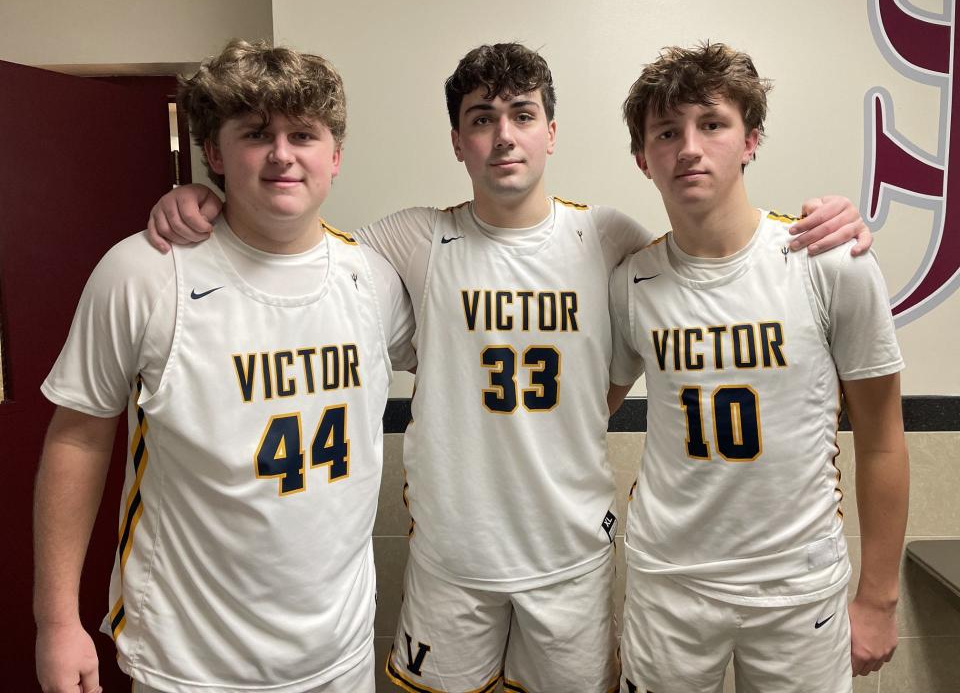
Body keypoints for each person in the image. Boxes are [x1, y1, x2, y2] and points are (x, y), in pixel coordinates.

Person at [144, 43, 872, 692]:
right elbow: (294, 244)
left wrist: (832, 220)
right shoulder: (414, 239)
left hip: (572, 554)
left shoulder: (609, 237)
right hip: (451, 557)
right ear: (458, 140)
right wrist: (204, 199)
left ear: (550, 133)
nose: (503, 136)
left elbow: (708, 264)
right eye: (482, 119)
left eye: (522, 115)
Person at [34, 40, 415, 693]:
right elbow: (78, 436)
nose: (282, 154)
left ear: (336, 155)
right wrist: (56, 620)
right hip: (191, 661)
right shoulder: (144, 273)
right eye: (255, 134)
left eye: (304, 133)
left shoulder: (374, 279)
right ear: (214, 152)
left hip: (340, 654)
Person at [608, 42, 908, 693]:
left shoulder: (830, 261)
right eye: (667, 131)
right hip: (670, 582)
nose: (689, 146)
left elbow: (884, 438)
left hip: (798, 584)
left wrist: (878, 600)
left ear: (750, 140)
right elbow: (580, 415)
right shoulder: (632, 280)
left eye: (712, 124)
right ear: (643, 158)